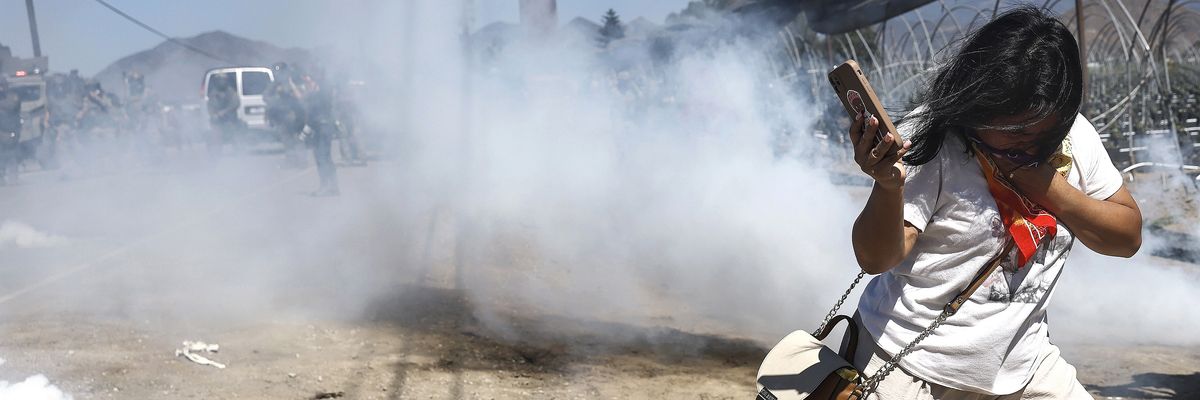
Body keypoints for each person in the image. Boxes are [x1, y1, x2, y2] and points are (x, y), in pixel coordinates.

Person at [845, 7, 1142, 399]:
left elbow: (1127, 237)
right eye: (1002, 125)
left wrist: (1046, 186)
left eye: (1029, 132)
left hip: (1025, 367)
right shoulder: (931, 137)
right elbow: (875, 259)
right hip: (910, 367)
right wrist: (888, 186)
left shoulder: (1075, 138)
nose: (1011, 139)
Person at [264, 62, 308, 168]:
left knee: (297, 139)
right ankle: (291, 161)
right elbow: (265, 96)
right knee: (286, 140)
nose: (278, 74)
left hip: (294, 115)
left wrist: (289, 92)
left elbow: (300, 97)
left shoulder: (293, 82)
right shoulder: (274, 85)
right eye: (276, 71)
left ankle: (302, 161)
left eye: (280, 71)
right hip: (281, 116)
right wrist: (275, 99)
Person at [302, 71, 339, 196]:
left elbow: (315, 110)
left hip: (323, 127)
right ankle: (332, 186)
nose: (308, 84)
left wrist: (308, 128)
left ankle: (327, 186)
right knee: (323, 157)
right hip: (319, 127)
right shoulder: (320, 92)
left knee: (322, 157)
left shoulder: (321, 94)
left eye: (309, 81)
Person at [205, 74, 240, 155]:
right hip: (218, 121)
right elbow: (210, 106)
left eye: (223, 80)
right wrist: (213, 115)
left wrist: (224, 111)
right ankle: (216, 153)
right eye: (220, 80)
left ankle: (238, 151)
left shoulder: (231, 92)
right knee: (216, 135)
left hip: (230, 119)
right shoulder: (213, 93)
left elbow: (235, 103)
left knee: (235, 134)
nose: (222, 82)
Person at [0, 78, 21, 185]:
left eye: (3, 85)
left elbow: (12, 106)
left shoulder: (13, 96)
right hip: (1, 130)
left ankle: (13, 177)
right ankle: (1, 177)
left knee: (12, 155)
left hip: (11, 130)